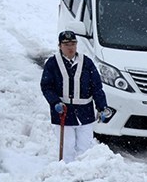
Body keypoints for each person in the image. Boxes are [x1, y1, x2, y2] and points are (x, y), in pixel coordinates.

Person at [39, 30, 112, 162]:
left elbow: (97, 87)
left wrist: (102, 107)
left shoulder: (86, 62)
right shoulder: (52, 63)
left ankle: (83, 174)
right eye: (66, 44)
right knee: (67, 148)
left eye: (73, 43)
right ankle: (66, 173)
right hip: (63, 113)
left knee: (85, 149)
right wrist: (55, 102)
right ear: (60, 45)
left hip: (85, 113)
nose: (70, 47)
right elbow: (46, 86)